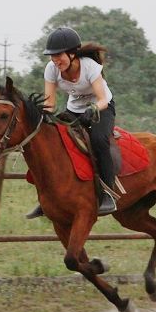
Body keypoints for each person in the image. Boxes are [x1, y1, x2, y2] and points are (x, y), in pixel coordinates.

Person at [26, 27, 117, 219]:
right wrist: (43, 121)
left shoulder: (90, 67)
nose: (55, 60)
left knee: (99, 140)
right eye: (52, 56)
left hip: (101, 108)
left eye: (59, 55)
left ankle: (108, 193)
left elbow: (102, 99)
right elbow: (49, 103)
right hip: (74, 110)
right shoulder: (51, 69)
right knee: (50, 141)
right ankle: (46, 199)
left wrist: (91, 110)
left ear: (72, 53)